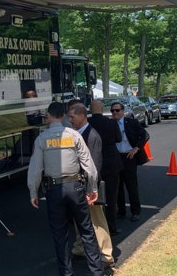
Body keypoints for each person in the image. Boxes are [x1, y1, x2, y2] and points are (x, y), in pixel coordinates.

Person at [27, 102, 104, 276]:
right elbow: (89, 166)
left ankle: (66, 273)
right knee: (86, 230)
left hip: (54, 190)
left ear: (48, 116)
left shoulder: (42, 139)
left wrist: (33, 191)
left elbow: (35, 169)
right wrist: (92, 188)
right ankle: (97, 272)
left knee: (60, 234)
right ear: (63, 116)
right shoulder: (75, 136)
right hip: (76, 186)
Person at [67, 103, 116, 272]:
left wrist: (90, 189)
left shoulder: (92, 136)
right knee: (80, 219)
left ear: (82, 116)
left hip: (88, 187)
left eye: (72, 116)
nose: (70, 120)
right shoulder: (79, 134)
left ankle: (106, 255)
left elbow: (94, 165)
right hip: (79, 185)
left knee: (97, 222)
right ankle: (80, 248)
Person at [87, 100, 123, 234]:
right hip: (111, 162)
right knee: (111, 196)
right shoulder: (111, 123)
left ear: (90, 110)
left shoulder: (87, 124)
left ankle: (95, 226)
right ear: (102, 109)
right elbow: (119, 139)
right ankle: (111, 226)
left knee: (92, 195)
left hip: (94, 163)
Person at [110, 102, 149, 222]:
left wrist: (136, 148)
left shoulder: (131, 122)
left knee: (131, 185)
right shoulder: (110, 124)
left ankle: (135, 211)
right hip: (117, 157)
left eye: (117, 110)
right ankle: (121, 210)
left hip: (129, 157)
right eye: (112, 111)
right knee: (118, 186)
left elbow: (144, 135)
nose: (115, 113)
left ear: (123, 111)